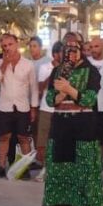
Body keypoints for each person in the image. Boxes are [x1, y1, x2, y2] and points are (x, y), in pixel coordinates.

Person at [39, 38, 103, 206]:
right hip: (60, 125)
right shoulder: (57, 71)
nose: (70, 52)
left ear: (81, 50)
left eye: (74, 48)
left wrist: (69, 90)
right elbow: (49, 98)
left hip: (83, 126)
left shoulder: (91, 71)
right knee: (56, 171)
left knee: (85, 171)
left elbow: (89, 99)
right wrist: (59, 96)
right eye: (67, 49)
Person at [0, 34, 39, 179]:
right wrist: (4, 64)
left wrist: (33, 108)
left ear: (17, 44)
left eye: (10, 44)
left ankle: (25, 168)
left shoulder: (28, 64)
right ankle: (1, 167)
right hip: (4, 106)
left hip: (22, 106)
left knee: (23, 138)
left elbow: (34, 88)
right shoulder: (0, 62)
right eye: (4, 46)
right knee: (4, 137)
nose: (7, 48)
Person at [34, 41, 64, 182]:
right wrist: (54, 72)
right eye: (61, 52)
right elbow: (41, 88)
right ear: (55, 54)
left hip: (61, 108)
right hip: (46, 108)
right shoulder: (45, 67)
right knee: (44, 141)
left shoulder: (69, 69)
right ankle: (45, 168)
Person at [87, 37, 103, 156]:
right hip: (87, 106)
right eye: (91, 47)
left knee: (102, 138)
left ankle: (99, 162)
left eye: (96, 46)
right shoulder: (85, 63)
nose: (93, 49)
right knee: (88, 137)